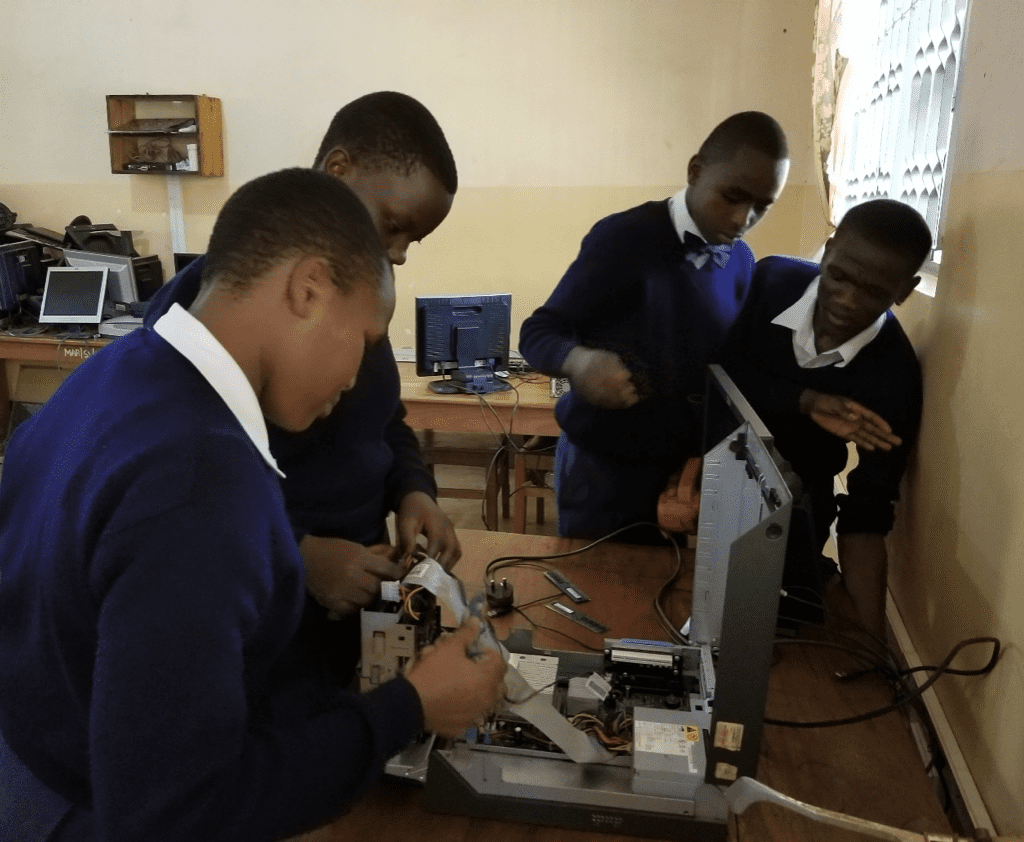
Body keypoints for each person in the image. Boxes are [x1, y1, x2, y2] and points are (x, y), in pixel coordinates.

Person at [0, 168, 506, 842]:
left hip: (32, 759)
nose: (357, 378)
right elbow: (178, 812)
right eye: (365, 341)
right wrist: (410, 706)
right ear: (308, 289)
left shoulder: (112, 372)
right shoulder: (201, 481)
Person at [144, 92, 460, 677]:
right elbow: (192, 495)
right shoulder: (210, 321)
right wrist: (298, 555)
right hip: (272, 605)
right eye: (394, 227)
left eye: (411, 242)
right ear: (339, 170)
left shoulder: (352, 296)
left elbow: (383, 417)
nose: (398, 255)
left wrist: (412, 489)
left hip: (353, 590)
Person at [518, 111, 790, 539]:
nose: (743, 219)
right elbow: (538, 331)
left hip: (682, 481)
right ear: (696, 170)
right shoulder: (622, 240)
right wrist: (579, 362)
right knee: (598, 592)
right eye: (733, 197)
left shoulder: (740, 262)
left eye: (762, 206)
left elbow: (729, 369)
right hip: (602, 475)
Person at [722, 198, 931, 643]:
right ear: (829, 249)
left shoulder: (893, 379)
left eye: (873, 291)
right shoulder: (771, 281)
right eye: (837, 275)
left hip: (794, 509)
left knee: (769, 645)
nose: (846, 300)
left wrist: (874, 645)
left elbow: (868, 514)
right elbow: (720, 372)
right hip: (704, 468)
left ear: (905, 290)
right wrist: (803, 400)